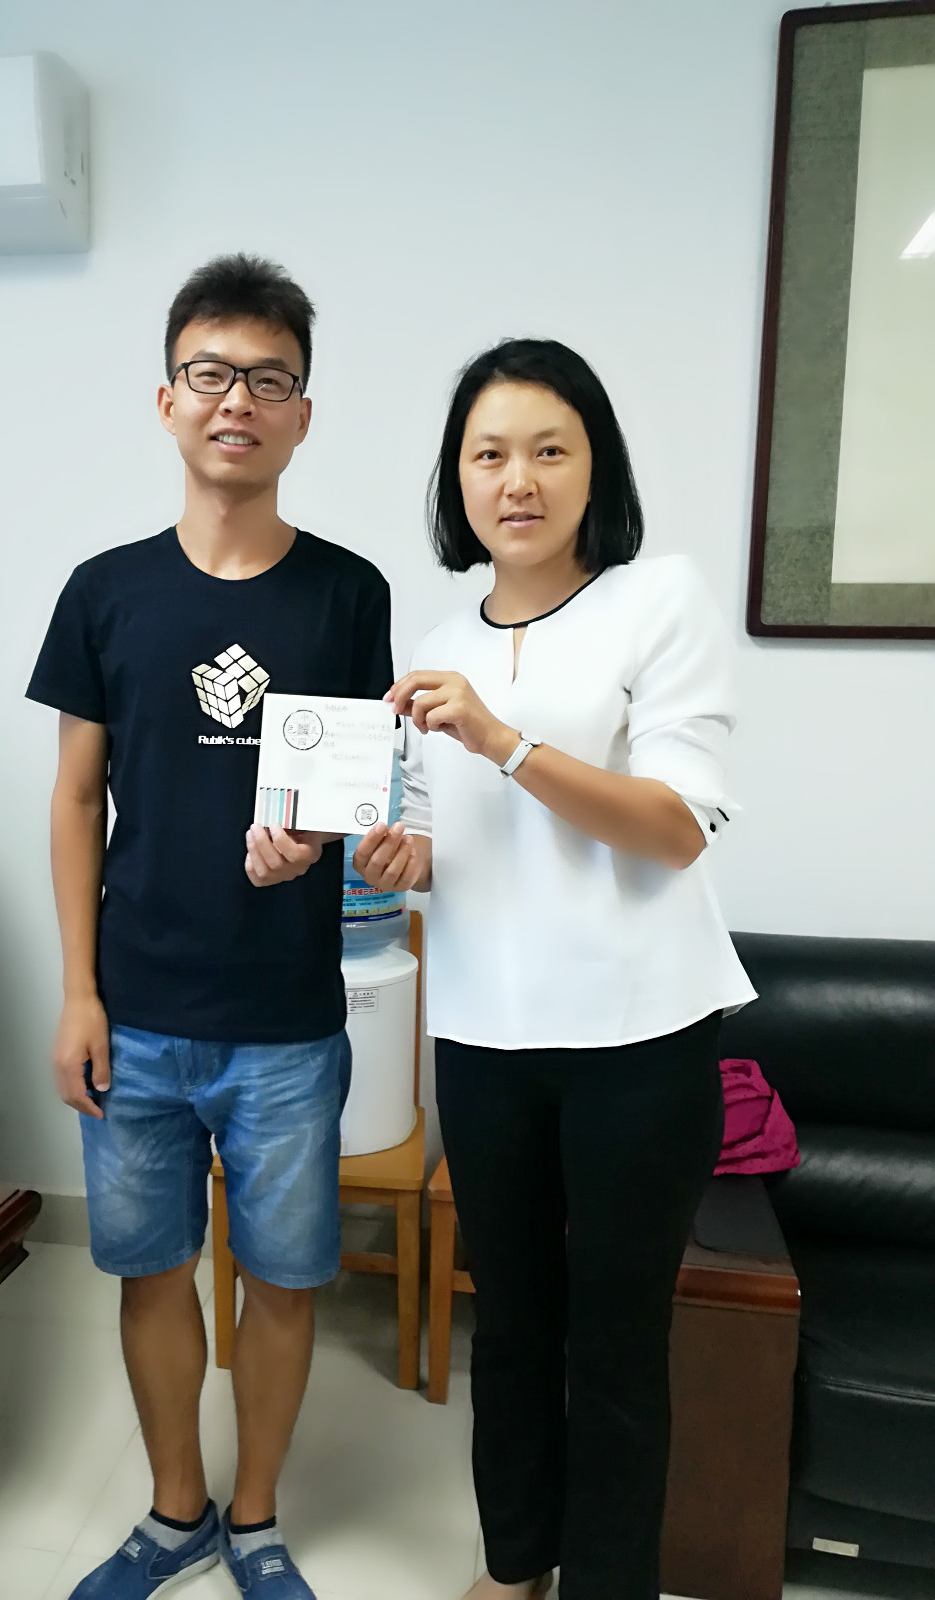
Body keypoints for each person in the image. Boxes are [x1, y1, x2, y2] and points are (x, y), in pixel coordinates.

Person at [353, 339, 755, 1600]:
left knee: (617, 1346)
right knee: (514, 1327)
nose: (516, 479)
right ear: (457, 480)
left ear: (595, 468)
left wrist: (505, 738)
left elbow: (677, 828)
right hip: (486, 1037)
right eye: (488, 454)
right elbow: (448, 843)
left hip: (642, 1038)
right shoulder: (434, 639)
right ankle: (515, 1563)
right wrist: (395, 856)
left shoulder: (658, 599)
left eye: (548, 449)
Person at [26, 254, 393, 1600]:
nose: (238, 399)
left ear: (304, 414)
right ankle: (175, 1511)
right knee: (151, 1273)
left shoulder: (347, 594)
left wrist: (322, 847)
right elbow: (76, 799)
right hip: (137, 1012)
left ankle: (256, 1517)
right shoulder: (105, 591)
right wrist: (79, 992)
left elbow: (356, 795)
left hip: (288, 1019)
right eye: (211, 373)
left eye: (269, 378)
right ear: (168, 399)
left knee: (285, 1281)